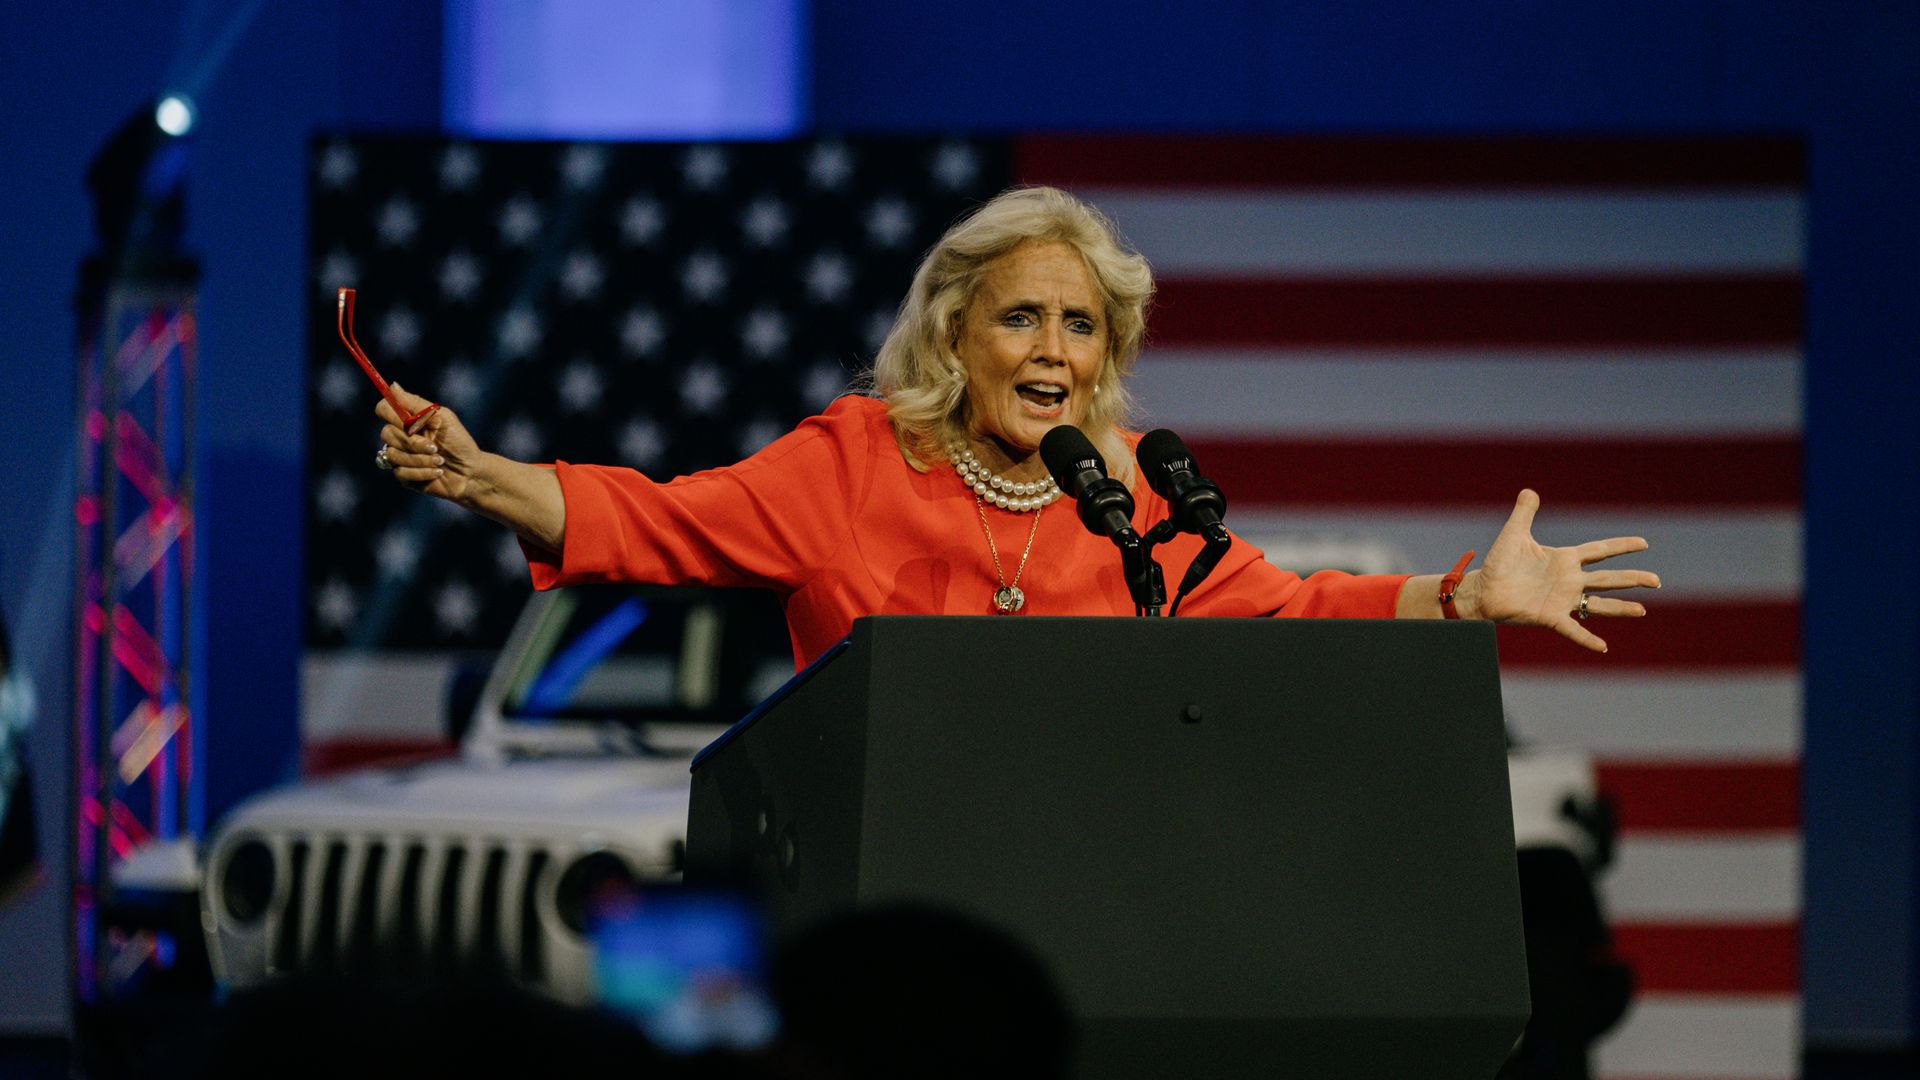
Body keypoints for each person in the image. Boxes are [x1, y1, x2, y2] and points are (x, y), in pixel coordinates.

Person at [372, 186, 1658, 668]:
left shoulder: (1134, 509)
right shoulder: (855, 464)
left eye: (1082, 326)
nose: (1055, 351)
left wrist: (1461, 597)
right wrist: (481, 475)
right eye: (1022, 320)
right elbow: (654, 524)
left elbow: (1296, 608)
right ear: (952, 337)